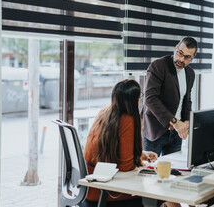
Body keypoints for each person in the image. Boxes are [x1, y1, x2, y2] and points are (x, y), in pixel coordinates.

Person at [82, 79, 178, 207]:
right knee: (165, 192)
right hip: (105, 192)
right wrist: (139, 162)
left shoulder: (107, 111)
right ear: (134, 100)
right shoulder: (127, 118)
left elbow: (112, 149)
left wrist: (141, 154)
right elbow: (126, 167)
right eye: (139, 97)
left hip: (90, 186)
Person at [142, 36, 197, 156]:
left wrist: (187, 120)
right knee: (150, 171)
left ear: (192, 58)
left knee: (174, 170)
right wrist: (175, 121)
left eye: (187, 57)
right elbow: (150, 98)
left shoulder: (190, 74)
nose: (182, 59)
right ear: (175, 49)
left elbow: (187, 100)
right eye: (180, 53)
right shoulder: (158, 66)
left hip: (176, 134)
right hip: (156, 131)